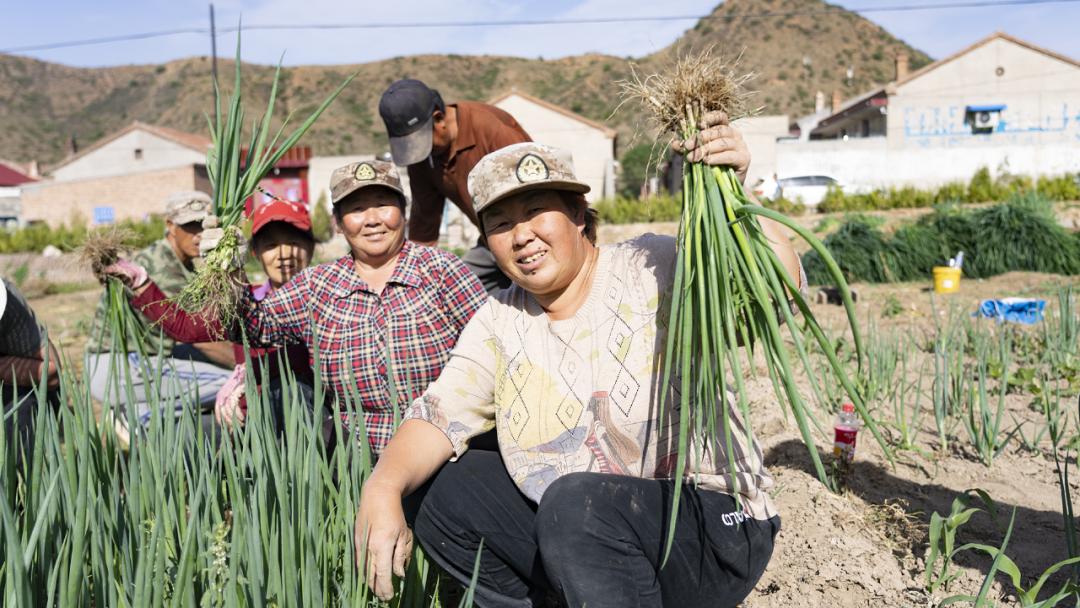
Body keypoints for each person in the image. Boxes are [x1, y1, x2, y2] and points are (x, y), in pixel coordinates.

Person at [354, 114, 802, 607]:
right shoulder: (501, 317)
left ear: (580, 215)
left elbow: (770, 295)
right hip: (586, 530)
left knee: (577, 504)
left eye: (536, 211)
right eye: (500, 224)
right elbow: (439, 413)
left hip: (709, 525)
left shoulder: (653, 266)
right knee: (442, 491)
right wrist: (382, 486)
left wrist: (737, 194)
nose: (521, 235)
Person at [201, 160, 488, 456]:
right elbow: (253, 327)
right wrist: (228, 273)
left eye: (383, 204)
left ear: (404, 211)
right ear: (338, 223)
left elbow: (491, 348)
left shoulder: (442, 270)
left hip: (443, 444)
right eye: (357, 209)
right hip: (355, 452)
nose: (373, 219)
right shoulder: (317, 285)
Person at [100, 197, 317, 431]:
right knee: (184, 438)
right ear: (254, 252)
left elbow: (309, 354)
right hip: (252, 421)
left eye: (294, 242)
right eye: (271, 245)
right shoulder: (249, 300)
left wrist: (248, 373)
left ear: (312, 247)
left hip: (308, 413)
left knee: (291, 391)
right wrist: (140, 282)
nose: (284, 254)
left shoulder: (324, 294)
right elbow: (187, 327)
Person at [85, 191, 236, 428]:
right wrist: (245, 365)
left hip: (137, 361)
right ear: (170, 225)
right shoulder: (160, 266)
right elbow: (198, 334)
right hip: (120, 366)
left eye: (204, 226)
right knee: (233, 385)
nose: (199, 235)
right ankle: (139, 416)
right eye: (190, 226)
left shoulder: (180, 262)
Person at [379, 79, 531, 292]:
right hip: (491, 243)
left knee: (530, 295)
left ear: (439, 119)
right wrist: (411, 283)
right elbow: (424, 222)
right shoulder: (423, 158)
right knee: (455, 290)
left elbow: (538, 193)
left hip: (529, 237)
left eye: (422, 144)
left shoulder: (490, 129)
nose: (420, 153)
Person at [1, 278, 62, 466]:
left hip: (13, 389)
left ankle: (20, 484)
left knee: (23, 406)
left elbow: (52, 372)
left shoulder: (10, 306)